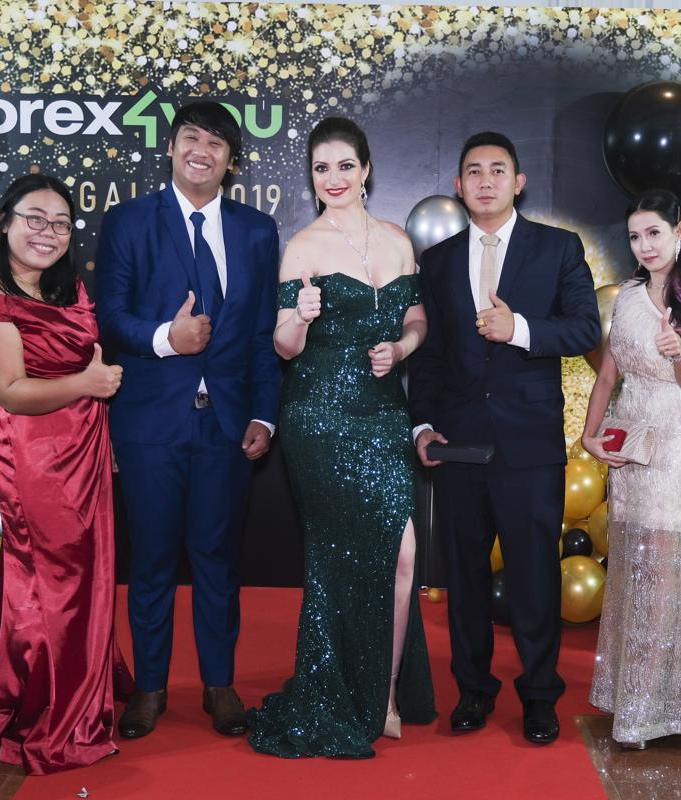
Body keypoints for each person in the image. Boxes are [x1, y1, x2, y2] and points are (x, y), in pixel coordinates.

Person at [247, 117, 436, 758]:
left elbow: (417, 317)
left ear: (366, 170)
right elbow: (283, 346)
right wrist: (299, 320)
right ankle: (347, 692)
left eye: (344, 166)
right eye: (321, 168)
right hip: (320, 418)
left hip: (383, 415)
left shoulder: (398, 240)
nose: (333, 178)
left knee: (403, 555)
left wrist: (402, 348)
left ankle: (383, 692)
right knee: (338, 559)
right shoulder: (303, 247)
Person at [94, 102, 282, 739]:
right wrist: (167, 339)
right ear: (172, 147)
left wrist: (264, 414)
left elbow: (261, 333)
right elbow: (110, 316)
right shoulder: (129, 221)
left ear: (232, 161)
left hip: (227, 425)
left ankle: (219, 684)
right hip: (150, 423)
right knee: (150, 561)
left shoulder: (257, 231)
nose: (203, 150)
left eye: (217, 143)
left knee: (218, 561)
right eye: (192, 138)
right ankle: (149, 688)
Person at [408, 132, 600, 744]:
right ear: (458, 185)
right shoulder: (438, 261)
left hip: (529, 445)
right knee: (463, 576)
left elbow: (584, 329)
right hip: (458, 442)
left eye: (498, 170)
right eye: (474, 171)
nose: (485, 181)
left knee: (533, 577)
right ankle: (472, 690)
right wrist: (422, 423)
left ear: (519, 182)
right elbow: (431, 355)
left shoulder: (557, 248)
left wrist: (517, 328)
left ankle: (540, 696)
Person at [0, 173, 134, 774]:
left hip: (86, 451)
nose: (48, 232)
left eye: (60, 223)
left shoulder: (66, 287)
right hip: (37, 458)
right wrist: (88, 384)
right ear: (5, 221)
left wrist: (101, 430)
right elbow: (12, 391)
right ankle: (48, 715)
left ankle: (86, 696)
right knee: (51, 584)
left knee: (88, 578)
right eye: (35, 218)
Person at [582, 189, 681, 749]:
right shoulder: (628, 295)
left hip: (673, 444)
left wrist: (677, 350)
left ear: (679, 231)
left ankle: (647, 710)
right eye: (636, 237)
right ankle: (626, 695)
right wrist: (590, 434)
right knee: (627, 566)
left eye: (655, 233)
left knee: (658, 572)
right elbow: (608, 375)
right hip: (629, 441)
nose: (645, 246)